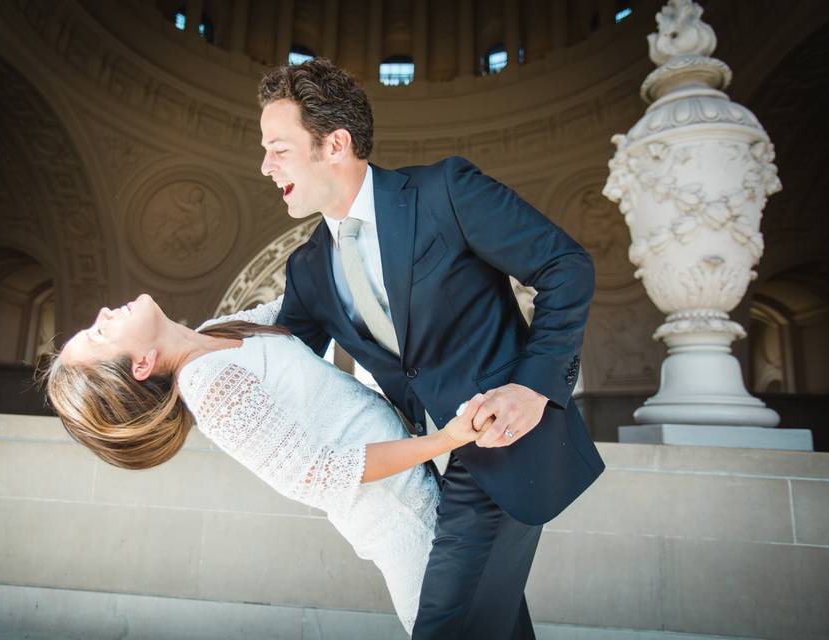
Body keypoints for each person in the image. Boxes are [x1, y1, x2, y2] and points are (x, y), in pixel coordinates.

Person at [258, 58, 605, 639]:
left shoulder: (445, 191)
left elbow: (565, 266)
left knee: (446, 626)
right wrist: (180, 352)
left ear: (335, 144)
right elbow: (280, 360)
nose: (265, 166)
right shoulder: (308, 269)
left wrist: (532, 387)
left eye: (279, 148)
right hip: (426, 471)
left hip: (504, 442)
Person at [43, 293, 492, 635]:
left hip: (439, 501)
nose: (103, 313)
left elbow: (305, 295)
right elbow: (320, 475)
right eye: (99, 335)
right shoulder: (208, 387)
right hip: (415, 533)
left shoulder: (216, 331)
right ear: (142, 364)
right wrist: (443, 440)